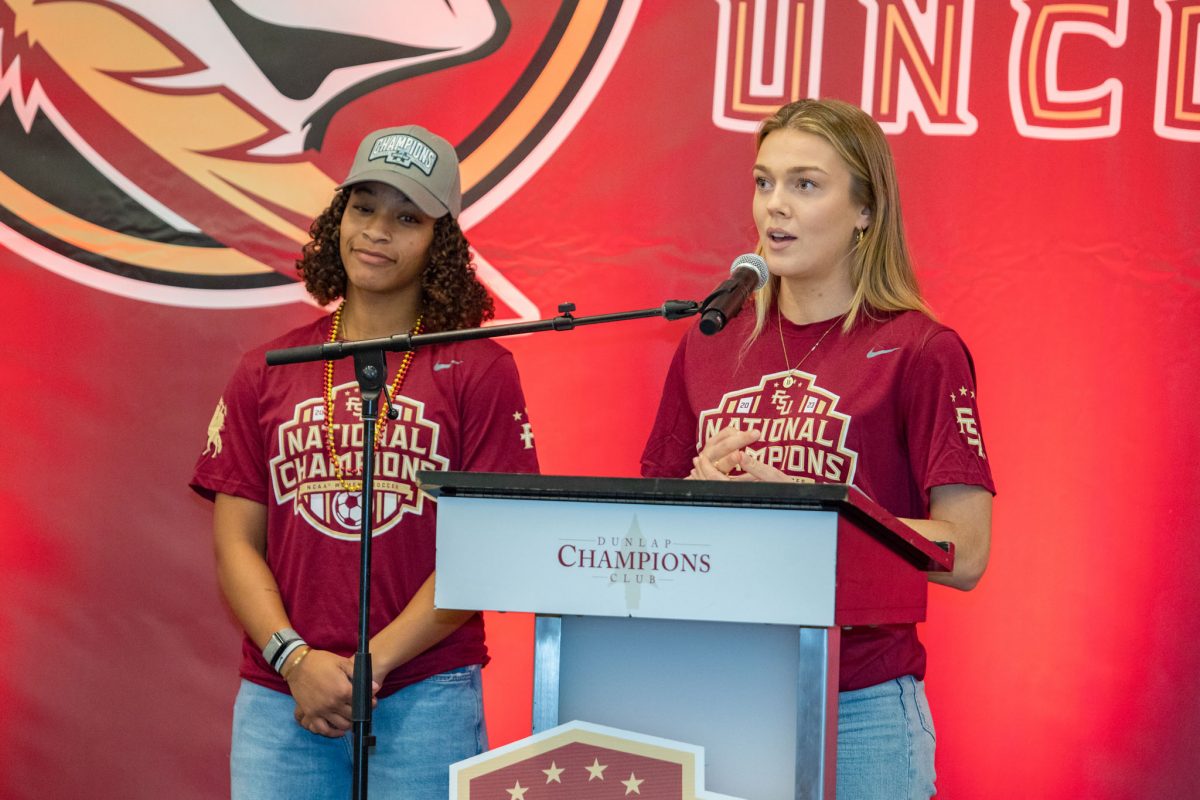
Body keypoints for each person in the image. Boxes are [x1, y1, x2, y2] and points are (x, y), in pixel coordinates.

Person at [640, 99, 993, 799]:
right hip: (721, 690)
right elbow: (648, 527)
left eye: (806, 185)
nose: (776, 208)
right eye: (764, 182)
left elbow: (967, 553)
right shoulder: (710, 339)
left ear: (866, 209)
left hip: (860, 705)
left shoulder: (921, 349)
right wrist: (698, 493)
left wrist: (808, 510)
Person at [191, 125, 539, 799]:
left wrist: (371, 664)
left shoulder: (480, 371)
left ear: (441, 242)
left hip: (425, 689)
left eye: (407, 216)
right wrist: (295, 660)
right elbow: (235, 543)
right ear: (337, 218)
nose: (378, 231)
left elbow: (487, 552)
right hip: (283, 692)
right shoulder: (267, 369)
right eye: (364, 207)